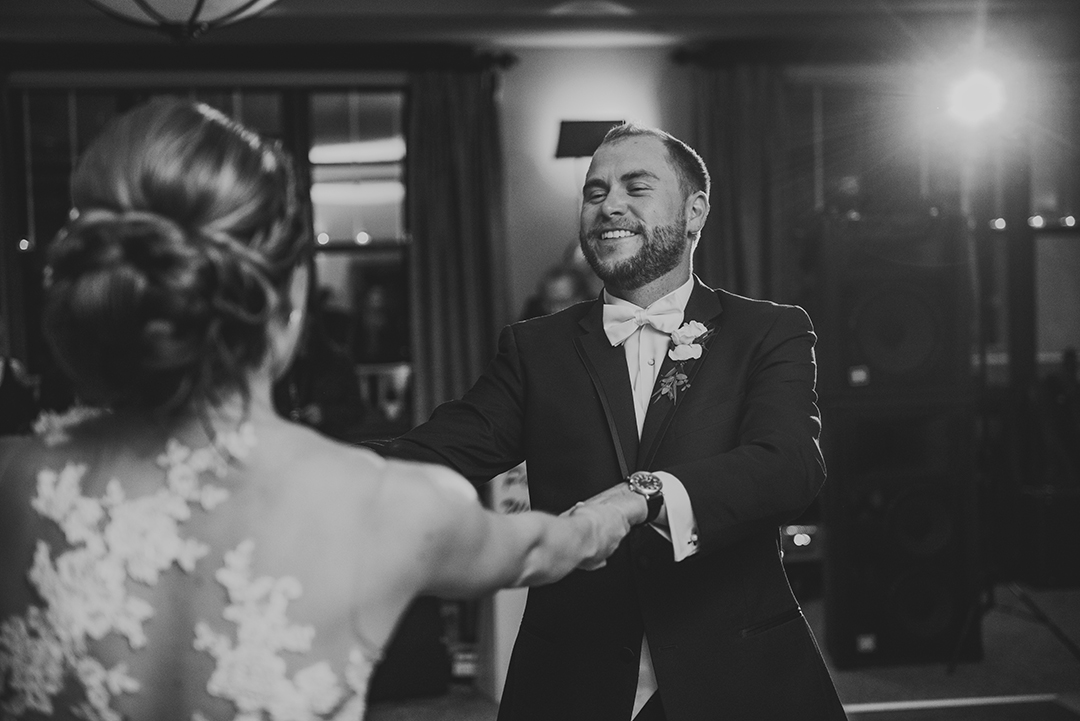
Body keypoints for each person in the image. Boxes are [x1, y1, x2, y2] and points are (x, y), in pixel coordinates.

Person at [0, 98, 643, 721]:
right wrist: (607, 515)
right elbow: (544, 548)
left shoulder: (16, 478)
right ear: (293, 299)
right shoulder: (389, 506)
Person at [372, 123, 847, 720]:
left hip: (737, 672)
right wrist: (292, 461)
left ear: (695, 211)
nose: (609, 205)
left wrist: (643, 497)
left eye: (635, 187)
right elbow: (438, 451)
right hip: (570, 677)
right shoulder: (535, 350)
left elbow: (791, 467)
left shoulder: (768, 332)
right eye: (594, 192)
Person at [520, 263, 594, 320]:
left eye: (563, 303)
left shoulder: (598, 317)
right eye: (550, 304)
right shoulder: (533, 315)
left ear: (582, 298)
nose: (555, 311)